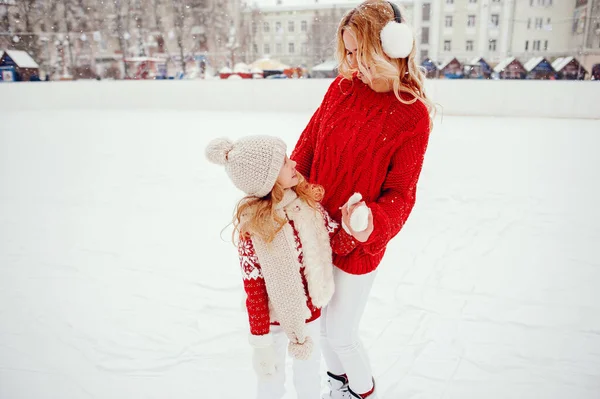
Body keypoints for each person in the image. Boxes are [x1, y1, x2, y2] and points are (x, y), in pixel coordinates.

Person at [290, 1, 434, 398]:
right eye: (348, 51)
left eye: (360, 51)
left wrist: (369, 220)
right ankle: (339, 387)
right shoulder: (339, 89)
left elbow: (402, 196)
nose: (353, 62)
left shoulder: (413, 114)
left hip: (360, 244)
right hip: (316, 231)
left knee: (341, 335)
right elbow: (306, 151)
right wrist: (277, 182)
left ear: (391, 46)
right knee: (322, 329)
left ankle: (361, 392)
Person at [205, 135, 339, 399]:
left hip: (309, 313)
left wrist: (354, 227)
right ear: (266, 180)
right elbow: (253, 288)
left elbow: (333, 240)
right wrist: (261, 342)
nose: (294, 163)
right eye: (285, 162)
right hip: (273, 322)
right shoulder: (253, 228)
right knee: (270, 382)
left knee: (309, 380)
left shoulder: (306, 206)